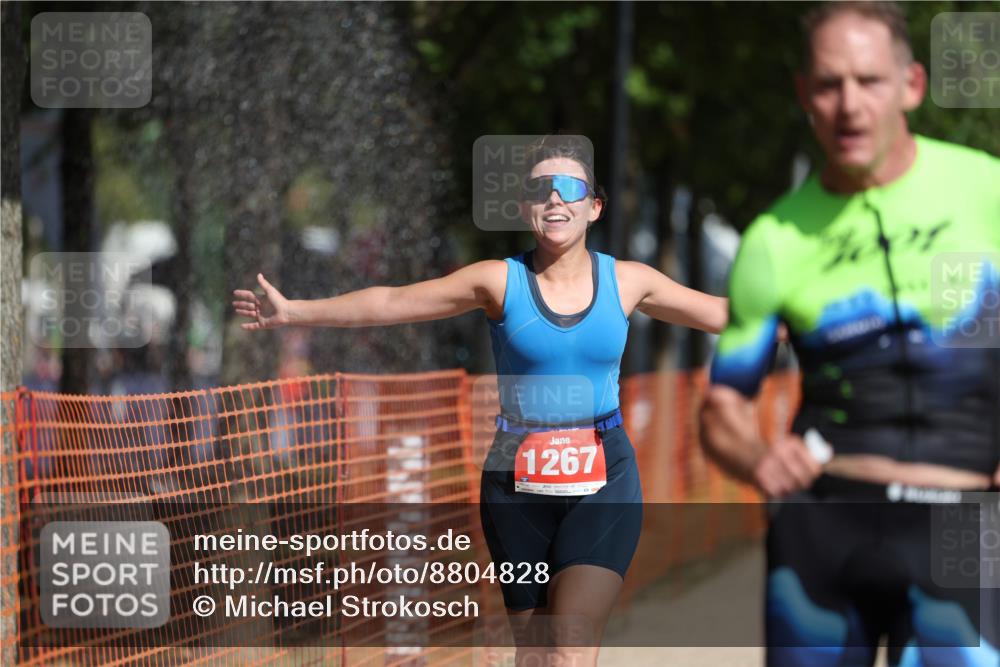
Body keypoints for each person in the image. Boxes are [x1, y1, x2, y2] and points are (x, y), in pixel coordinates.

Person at [233, 137, 729, 665]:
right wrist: (295, 312)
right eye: (541, 190)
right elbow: (394, 302)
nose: (556, 200)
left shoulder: (628, 281)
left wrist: (807, 317)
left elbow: (728, 314)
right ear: (524, 208)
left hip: (604, 477)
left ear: (594, 207)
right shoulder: (499, 280)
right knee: (535, 656)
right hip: (516, 483)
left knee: (569, 648)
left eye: (571, 188)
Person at [699, 3, 1000, 666]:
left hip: (963, 525)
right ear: (804, 92)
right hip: (823, 530)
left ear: (912, 86)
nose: (849, 105)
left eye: (869, 81)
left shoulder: (985, 188)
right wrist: (758, 459)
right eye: (830, 84)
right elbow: (722, 406)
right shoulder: (775, 237)